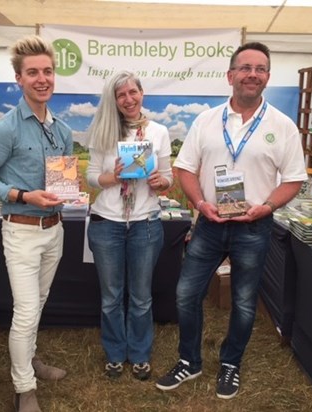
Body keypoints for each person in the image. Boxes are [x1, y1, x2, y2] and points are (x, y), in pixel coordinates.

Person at [156, 42, 307, 399]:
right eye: (245, 67)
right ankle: (189, 361)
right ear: (230, 75)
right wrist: (199, 203)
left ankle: (230, 364)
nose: (252, 74)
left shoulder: (282, 126)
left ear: (267, 77)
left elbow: (294, 179)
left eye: (260, 68)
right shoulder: (206, 121)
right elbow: (185, 168)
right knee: (185, 294)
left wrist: (267, 207)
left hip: (254, 226)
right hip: (209, 223)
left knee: (243, 301)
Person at [0, 35, 72, 412]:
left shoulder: (61, 130)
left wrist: (69, 193)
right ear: (19, 79)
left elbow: (61, 180)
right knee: (26, 311)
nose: (42, 79)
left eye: (47, 71)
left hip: (54, 230)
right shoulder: (6, 128)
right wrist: (23, 195)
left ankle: (29, 361)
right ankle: (23, 388)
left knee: (38, 305)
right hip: (21, 231)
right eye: (33, 73)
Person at [86, 70, 173, 381]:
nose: (128, 99)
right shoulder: (103, 131)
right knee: (111, 296)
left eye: (132, 92)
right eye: (121, 94)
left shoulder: (159, 132)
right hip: (106, 222)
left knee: (140, 296)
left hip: (145, 223)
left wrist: (160, 181)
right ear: (114, 100)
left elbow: (168, 178)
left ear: (142, 93)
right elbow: (91, 176)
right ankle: (114, 353)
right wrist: (114, 177)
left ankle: (139, 354)